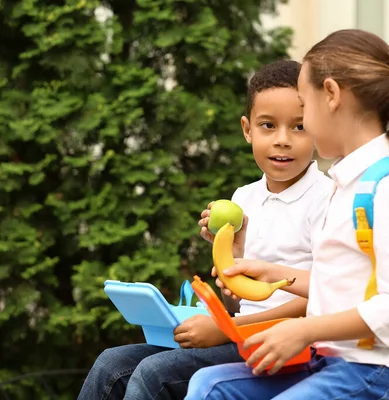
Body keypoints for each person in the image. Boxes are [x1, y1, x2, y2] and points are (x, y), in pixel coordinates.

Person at [184, 29, 389, 400]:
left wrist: (303, 331)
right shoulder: (347, 181)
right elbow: (341, 282)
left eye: (304, 107)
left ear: (332, 96)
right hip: (333, 361)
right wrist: (272, 274)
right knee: (209, 387)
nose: (292, 133)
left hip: (381, 372)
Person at [77, 59, 332, 400]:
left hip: (286, 345)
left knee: (154, 374)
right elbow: (239, 298)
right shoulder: (244, 198)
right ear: (247, 129)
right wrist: (232, 259)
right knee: (112, 364)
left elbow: (326, 297)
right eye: (268, 125)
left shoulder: (326, 198)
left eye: (299, 127)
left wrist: (226, 330)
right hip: (240, 333)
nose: (282, 140)